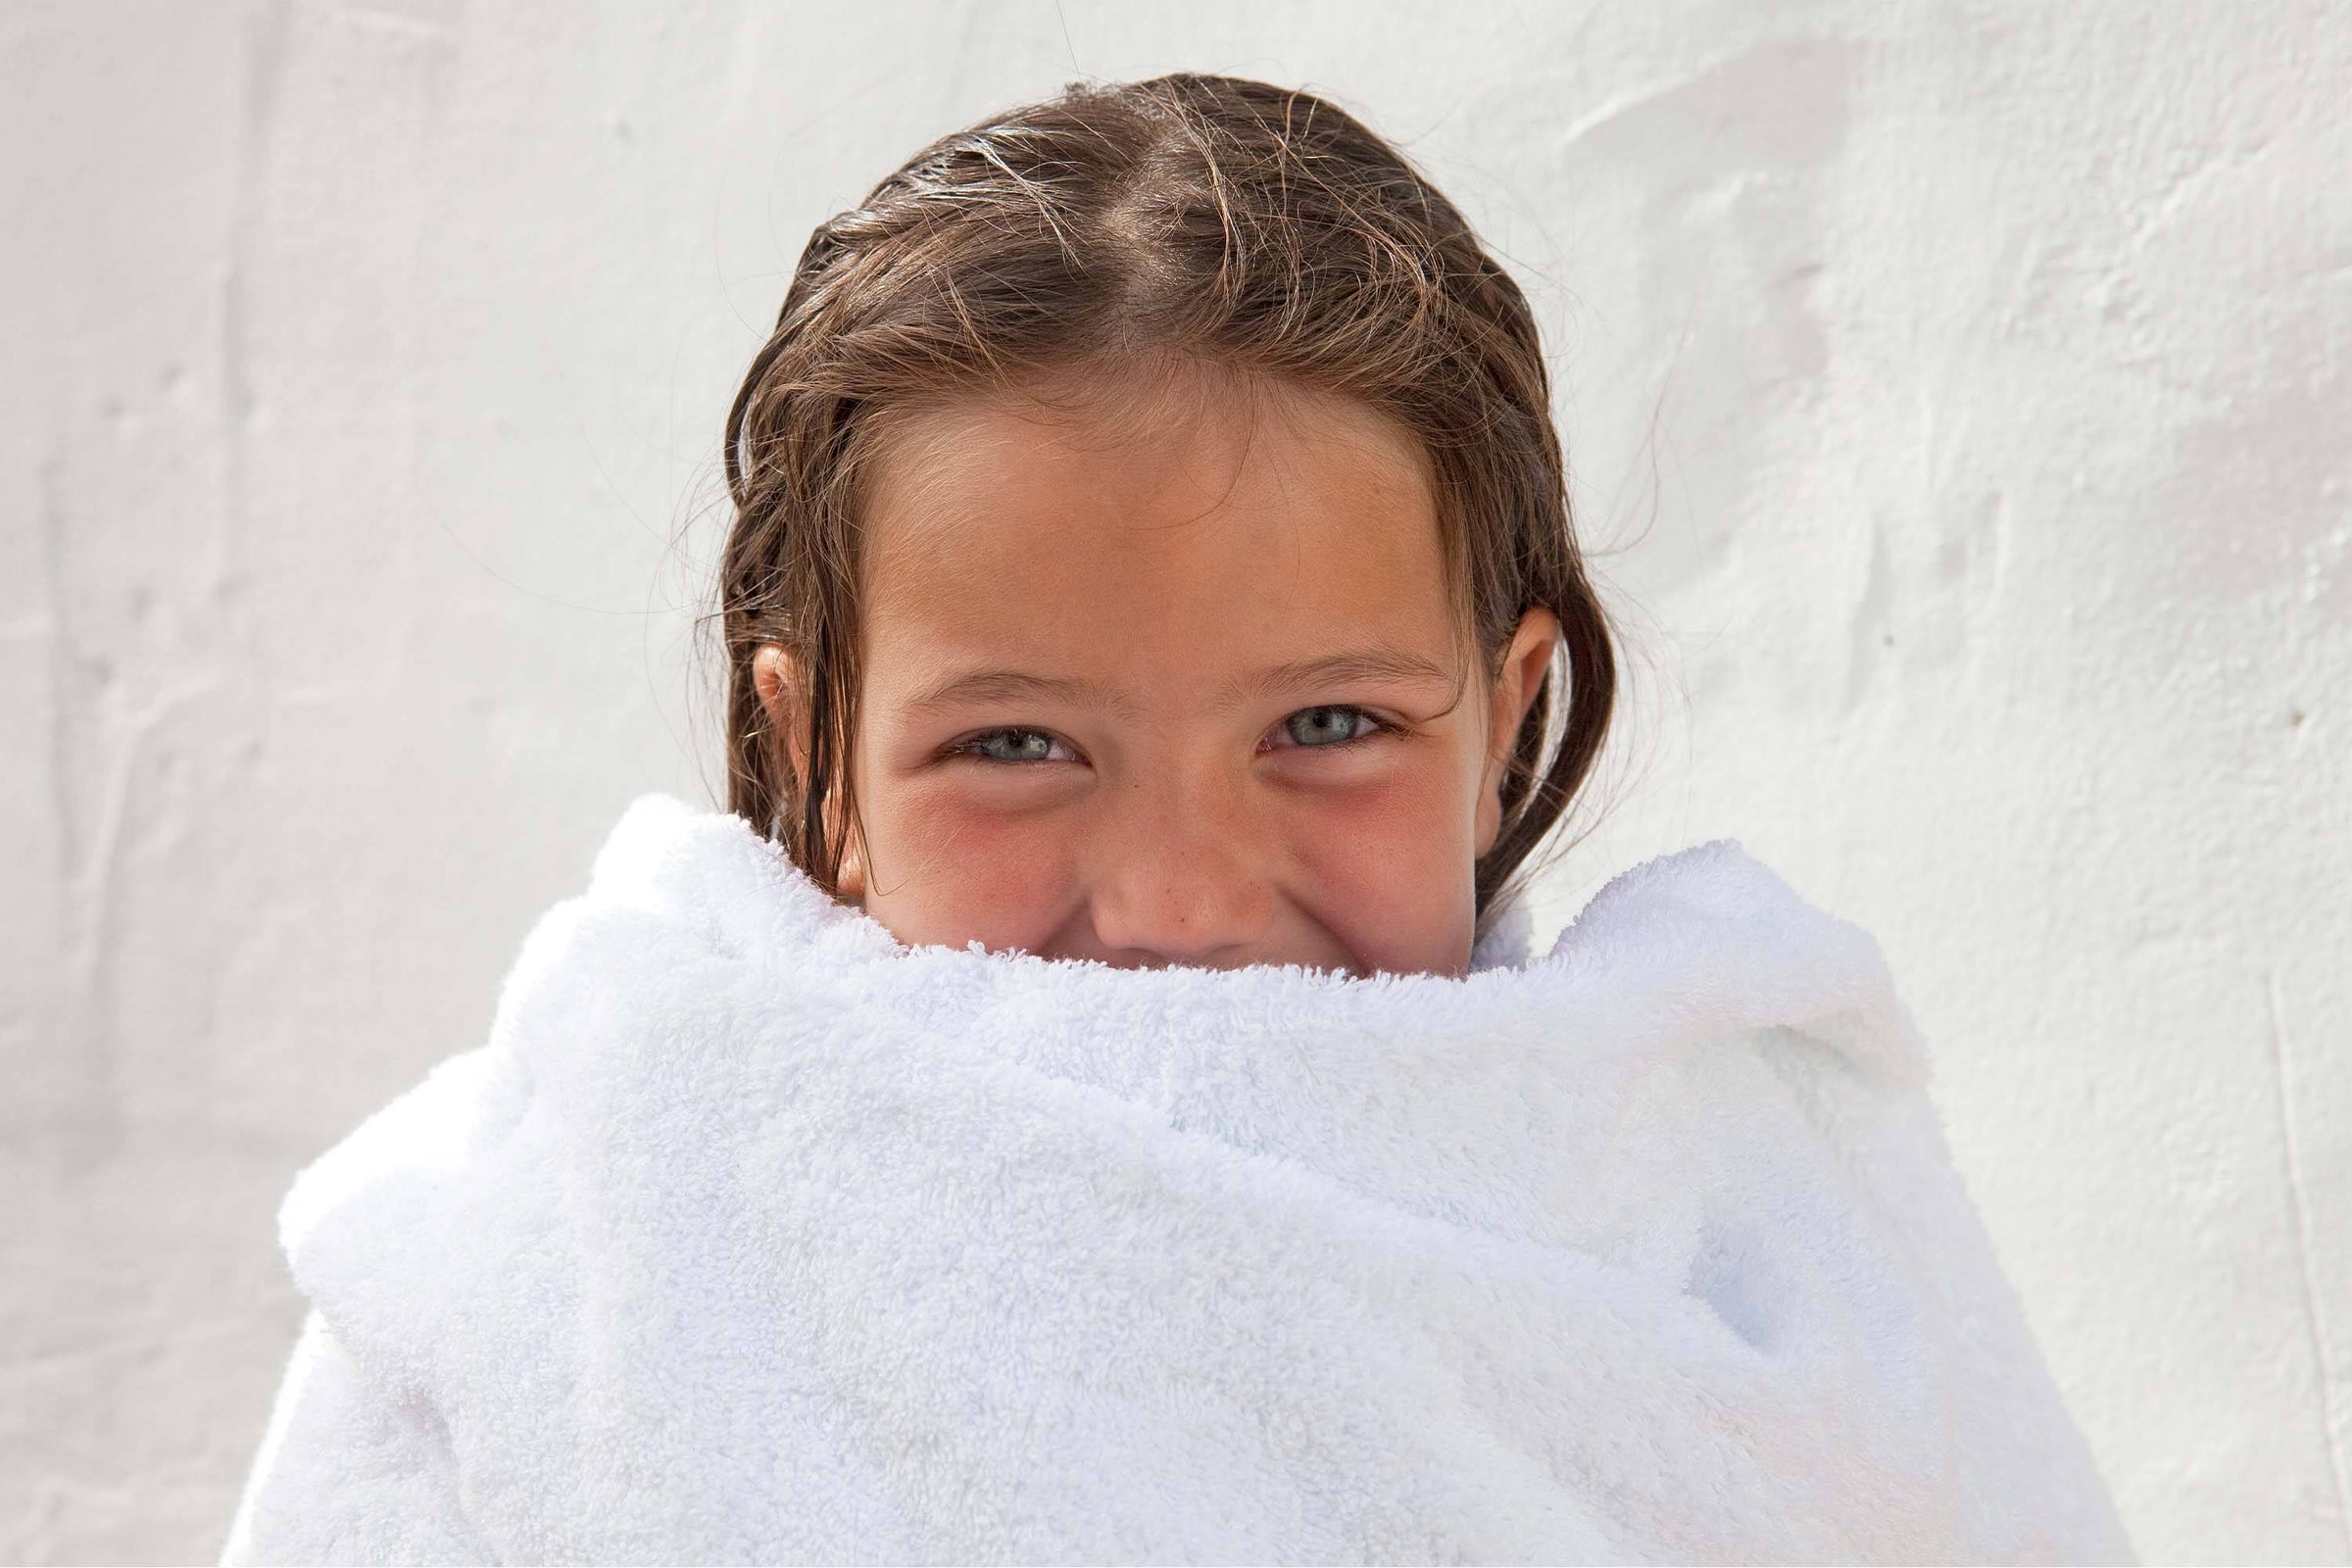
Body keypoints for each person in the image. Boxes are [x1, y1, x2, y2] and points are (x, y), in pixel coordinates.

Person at [220, 74, 2133, 1563]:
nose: (1183, 899)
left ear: (1507, 715)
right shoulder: (576, 1227)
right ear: (820, 764)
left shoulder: (1746, 1206)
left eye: (1325, 721)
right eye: (1019, 746)